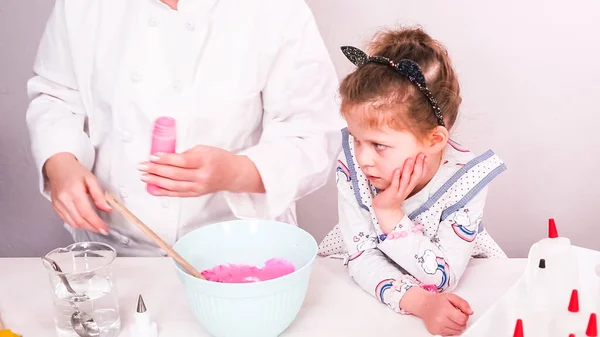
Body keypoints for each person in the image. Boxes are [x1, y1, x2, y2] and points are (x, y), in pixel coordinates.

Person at [26, 0, 342, 257]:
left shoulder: (277, 10)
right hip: (115, 251)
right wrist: (61, 164)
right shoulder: (83, 7)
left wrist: (236, 172)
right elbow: (56, 97)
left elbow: (311, 133)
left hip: (241, 250)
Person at [317, 26, 507, 336]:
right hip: (363, 308)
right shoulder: (355, 164)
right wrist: (421, 304)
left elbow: (441, 277)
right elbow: (361, 255)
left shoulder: (464, 181)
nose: (363, 157)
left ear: (434, 140)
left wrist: (391, 214)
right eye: (356, 139)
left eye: (379, 145)